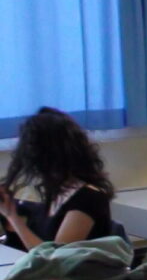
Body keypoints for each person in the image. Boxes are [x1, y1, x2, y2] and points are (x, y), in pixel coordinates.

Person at [0, 107, 114, 250]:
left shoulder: (88, 198)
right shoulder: (55, 193)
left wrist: (13, 218)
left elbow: (54, 259)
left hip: (74, 272)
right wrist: (9, 216)